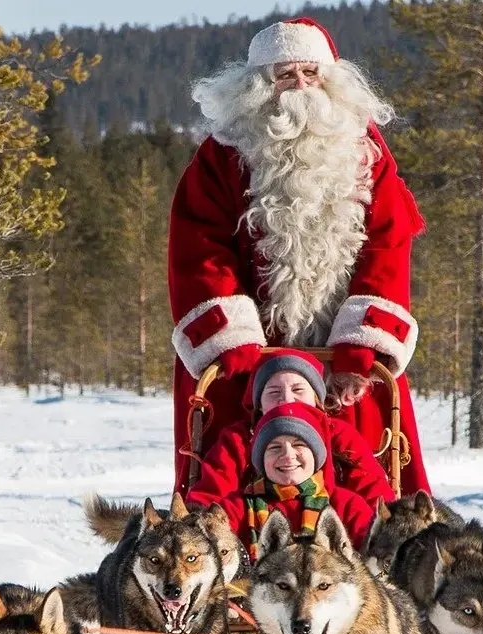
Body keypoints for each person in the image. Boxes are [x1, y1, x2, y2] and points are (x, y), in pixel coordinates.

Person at [168, 16, 430, 501]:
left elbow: (388, 247)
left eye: (312, 74)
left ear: (333, 82)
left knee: (366, 474)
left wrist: (360, 346)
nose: (300, 87)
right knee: (230, 470)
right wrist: (233, 344)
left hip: (342, 357)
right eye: (285, 75)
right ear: (255, 88)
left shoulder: (368, 157)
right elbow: (199, 252)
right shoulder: (219, 157)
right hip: (248, 362)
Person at [186, 349, 395, 511]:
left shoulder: (338, 434)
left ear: (316, 399)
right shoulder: (239, 438)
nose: (286, 399)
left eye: (298, 390)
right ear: (259, 403)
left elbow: (371, 487)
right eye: (274, 391)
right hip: (255, 528)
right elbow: (213, 491)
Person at [218, 402, 375, 559]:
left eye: (299, 444)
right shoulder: (238, 506)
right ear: (261, 460)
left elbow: (377, 551)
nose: (288, 455)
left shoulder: (347, 505)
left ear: (316, 455)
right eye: (275, 448)